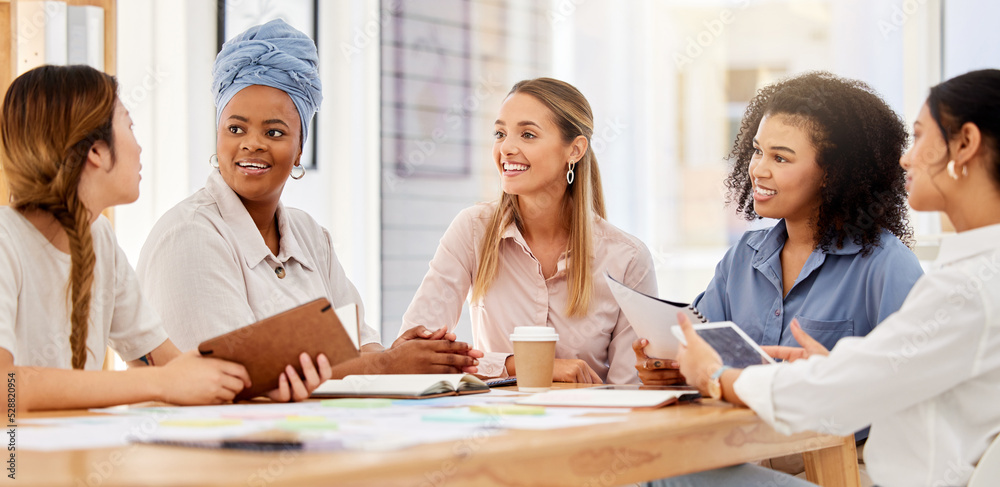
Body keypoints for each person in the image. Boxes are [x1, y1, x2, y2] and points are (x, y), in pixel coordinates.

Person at [665, 68, 1000, 487]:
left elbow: (840, 392)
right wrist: (837, 368)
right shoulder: (973, 275)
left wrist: (717, 377)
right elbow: (885, 374)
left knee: (661, 477)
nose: (906, 158)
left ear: (965, 143)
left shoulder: (966, 287)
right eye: (757, 151)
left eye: (919, 136)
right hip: (780, 450)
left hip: (864, 472)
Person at [137, 20, 481, 401]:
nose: (251, 145)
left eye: (275, 132)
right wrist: (385, 366)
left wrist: (399, 354)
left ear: (301, 148)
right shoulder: (189, 237)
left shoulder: (310, 236)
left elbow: (360, 347)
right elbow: (232, 381)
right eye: (235, 129)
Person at [635, 72, 923, 387]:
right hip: (737, 434)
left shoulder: (886, 265)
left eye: (780, 158)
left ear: (833, 173)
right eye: (758, 151)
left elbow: (910, 386)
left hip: (837, 438)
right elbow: (700, 352)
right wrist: (671, 368)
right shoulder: (743, 258)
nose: (758, 169)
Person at [0, 65, 253, 411]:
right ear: (97, 151)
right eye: (130, 126)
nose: (139, 147)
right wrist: (159, 384)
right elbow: (4, 387)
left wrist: (256, 388)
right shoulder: (5, 241)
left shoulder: (99, 237)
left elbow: (163, 362)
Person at [398, 78, 657, 384]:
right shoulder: (473, 231)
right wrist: (519, 365)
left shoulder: (627, 260)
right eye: (500, 133)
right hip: (496, 428)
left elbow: (633, 390)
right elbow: (413, 356)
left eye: (528, 134)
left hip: (587, 428)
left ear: (574, 150)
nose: (506, 148)